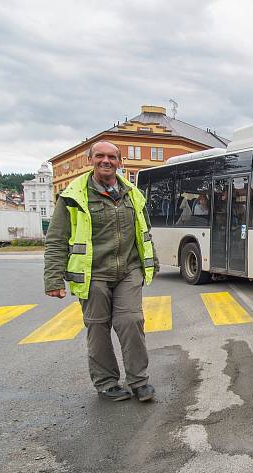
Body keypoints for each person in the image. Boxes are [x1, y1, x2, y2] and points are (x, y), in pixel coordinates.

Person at [44, 141, 158, 402]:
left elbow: (145, 233)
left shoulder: (133, 194)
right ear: (90, 160)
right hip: (93, 273)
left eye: (111, 157)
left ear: (119, 162)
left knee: (131, 322)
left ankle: (139, 381)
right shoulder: (73, 196)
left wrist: (152, 263)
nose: (105, 161)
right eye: (100, 156)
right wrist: (53, 278)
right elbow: (56, 239)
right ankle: (106, 383)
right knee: (98, 329)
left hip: (128, 270)